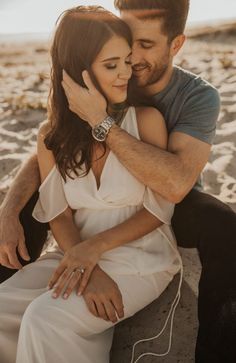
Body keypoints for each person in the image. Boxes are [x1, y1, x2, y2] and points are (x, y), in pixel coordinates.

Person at [0, 1, 235, 362]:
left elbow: (172, 188)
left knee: (224, 226)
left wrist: (100, 119)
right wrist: (10, 209)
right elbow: (52, 176)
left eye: (142, 47)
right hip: (80, 236)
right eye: (122, 51)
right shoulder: (63, 121)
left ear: (175, 44)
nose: (130, 65)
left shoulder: (188, 100)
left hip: (164, 213)